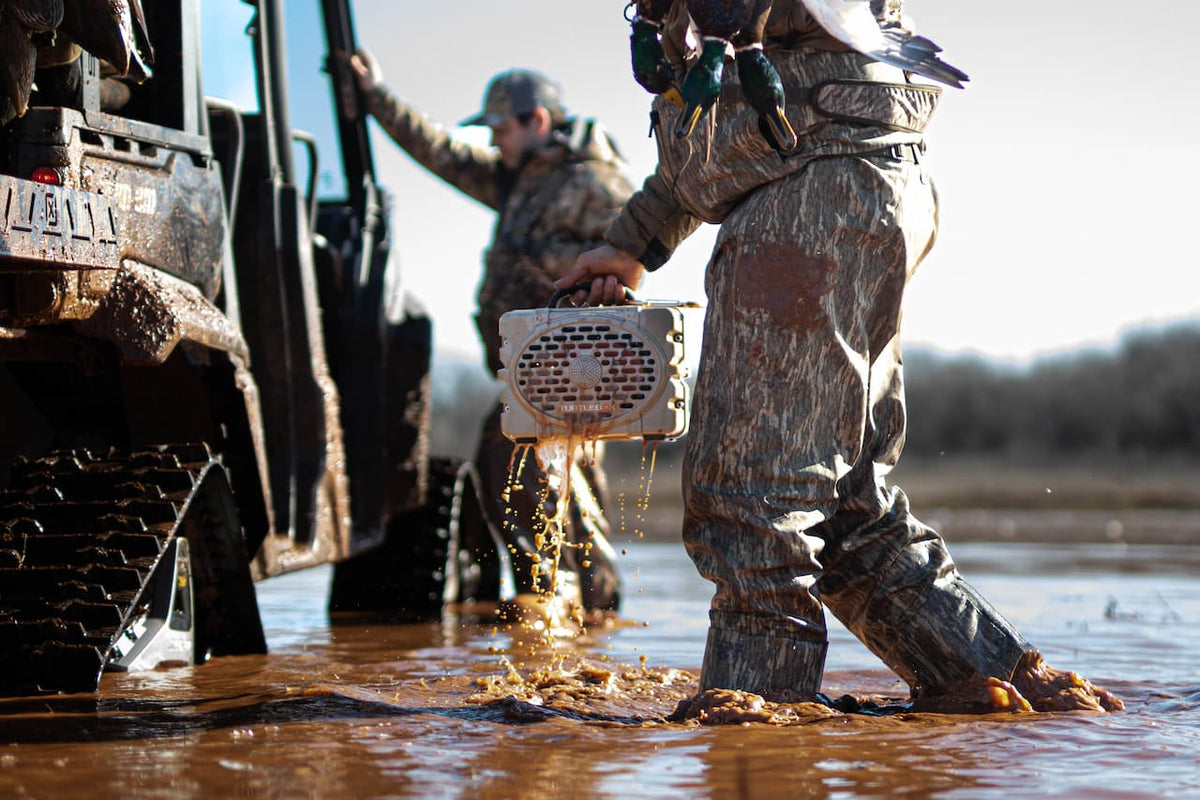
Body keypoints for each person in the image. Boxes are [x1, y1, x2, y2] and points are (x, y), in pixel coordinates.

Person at [556, 2, 1124, 712]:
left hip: (813, 185)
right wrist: (631, 242)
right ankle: (1011, 688)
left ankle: (754, 724)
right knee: (848, 509)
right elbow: (713, 136)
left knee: (751, 495)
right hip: (844, 176)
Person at [345, 51, 635, 614]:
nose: (495, 141)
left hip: (572, 371)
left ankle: (568, 610)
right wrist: (376, 97)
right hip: (530, 374)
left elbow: (635, 259)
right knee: (516, 473)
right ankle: (568, 612)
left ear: (538, 122)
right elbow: (441, 152)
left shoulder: (595, 180)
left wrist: (573, 281)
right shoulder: (518, 181)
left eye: (502, 129)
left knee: (543, 482)